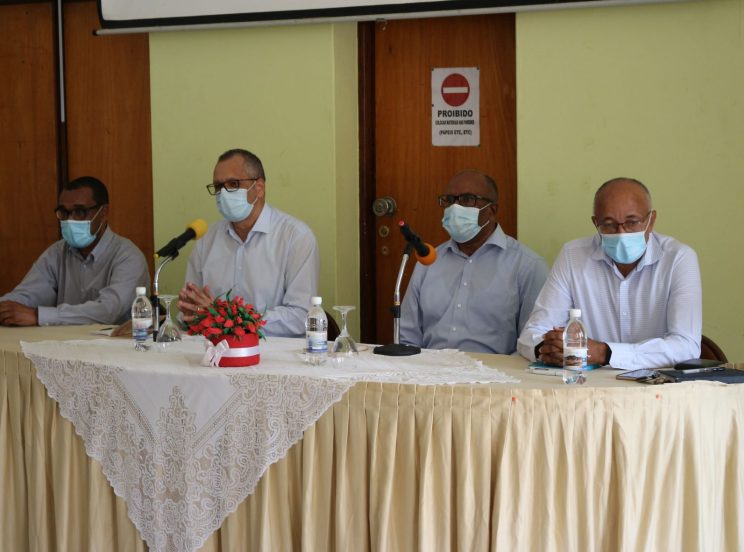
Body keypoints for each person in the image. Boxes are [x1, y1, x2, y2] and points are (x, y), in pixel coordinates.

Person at [517, 177, 702, 369]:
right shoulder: (572, 256)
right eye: (609, 224)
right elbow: (531, 334)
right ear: (595, 223)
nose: (621, 233)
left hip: (657, 383)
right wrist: (548, 349)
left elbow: (686, 346)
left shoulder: (678, 258)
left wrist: (604, 353)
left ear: (651, 220)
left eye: (632, 222)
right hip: (588, 383)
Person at [399, 170, 548, 354]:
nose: (455, 208)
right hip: (431, 367)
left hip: (494, 370)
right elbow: (407, 336)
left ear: (492, 210)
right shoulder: (429, 260)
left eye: (467, 199)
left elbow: (532, 342)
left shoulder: (527, 265)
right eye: (449, 200)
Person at [178, 149, 319, 337]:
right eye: (218, 187)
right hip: (213, 348)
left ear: (259, 188)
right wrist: (190, 314)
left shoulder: (296, 237)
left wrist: (227, 318)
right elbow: (191, 310)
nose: (223, 193)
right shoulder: (206, 239)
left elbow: (301, 316)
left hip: (275, 351)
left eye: (233, 184)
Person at [0, 176, 150, 326]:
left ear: (103, 212)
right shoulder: (57, 252)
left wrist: (38, 316)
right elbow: (27, 295)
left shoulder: (128, 257)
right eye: (64, 212)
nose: (70, 220)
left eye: (80, 211)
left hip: (115, 340)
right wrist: (6, 309)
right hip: (63, 340)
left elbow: (107, 310)